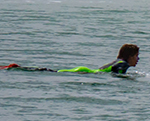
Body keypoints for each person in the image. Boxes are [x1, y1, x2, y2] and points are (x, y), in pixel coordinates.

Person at [6, 44, 141, 74]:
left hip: (85, 70)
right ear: (130, 56)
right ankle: (17, 68)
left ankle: (19, 67)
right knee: (52, 72)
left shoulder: (119, 61)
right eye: (136, 56)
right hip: (85, 72)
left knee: (52, 71)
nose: (138, 59)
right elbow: (116, 71)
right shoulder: (123, 64)